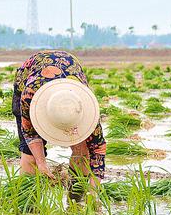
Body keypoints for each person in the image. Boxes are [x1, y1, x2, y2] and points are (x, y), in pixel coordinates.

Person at [12, 50, 106, 200]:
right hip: (31, 80)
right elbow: (30, 133)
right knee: (30, 155)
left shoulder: (87, 108)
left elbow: (98, 151)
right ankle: (28, 204)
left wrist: (94, 192)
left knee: (83, 150)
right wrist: (42, 163)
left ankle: (75, 198)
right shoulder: (30, 96)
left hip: (70, 79)